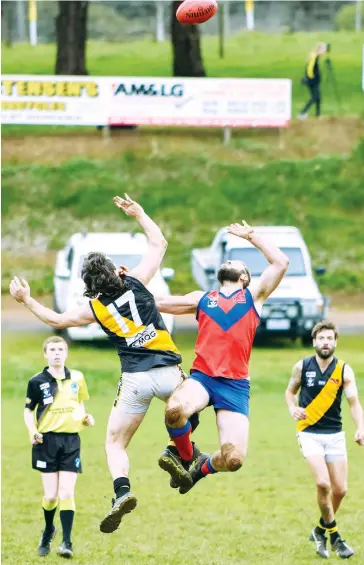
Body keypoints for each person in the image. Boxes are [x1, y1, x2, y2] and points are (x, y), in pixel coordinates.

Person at [10, 194, 199, 535]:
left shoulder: (93, 309)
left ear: (88, 285)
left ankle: (122, 492)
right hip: (170, 373)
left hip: (135, 381)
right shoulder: (137, 279)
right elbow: (159, 242)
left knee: (114, 444)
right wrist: (139, 212)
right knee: (191, 408)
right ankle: (179, 452)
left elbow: (58, 319)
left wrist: (26, 300)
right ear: (115, 271)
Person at [155, 220, 289, 493]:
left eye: (241, 264)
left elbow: (281, 263)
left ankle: (198, 470)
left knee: (234, 459)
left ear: (244, 278)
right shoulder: (202, 298)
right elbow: (155, 302)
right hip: (203, 378)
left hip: (235, 385)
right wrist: (123, 283)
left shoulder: (254, 297)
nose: (233, 260)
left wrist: (251, 235)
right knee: (174, 410)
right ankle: (186, 454)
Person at [285, 321, 364, 559]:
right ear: (314, 342)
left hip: (335, 435)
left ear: (335, 342)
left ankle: (320, 529)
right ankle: (335, 537)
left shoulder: (344, 371)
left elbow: (354, 404)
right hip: (309, 433)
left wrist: (360, 427)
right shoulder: (302, 366)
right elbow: (290, 392)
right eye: (322, 338)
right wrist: (292, 408)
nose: (326, 342)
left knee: (340, 489)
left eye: (330, 338)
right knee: (323, 484)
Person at [24, 336, 94, 558]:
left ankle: (67, 542)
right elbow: (28, 410)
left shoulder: (77, 377)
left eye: (60, 349)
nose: (56, 353)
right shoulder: (36, 381)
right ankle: (48, 530)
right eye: (52, 349)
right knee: (51, 496)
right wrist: (32, 431)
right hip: (46, 442)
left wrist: (85, 417)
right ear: (45, 354)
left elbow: (80, 403)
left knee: (66, 492)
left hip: (71, 441)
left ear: (66, 353)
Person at [298, 42, 327, 120]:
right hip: (312, 81)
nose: (324, 51)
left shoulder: (316, 56)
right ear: (319, 49)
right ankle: (302, 113)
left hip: (315, 81)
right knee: (314, 97)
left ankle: (318, 114)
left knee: (318, 98)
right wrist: (312, 78)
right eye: (323, 49)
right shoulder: (314, 56)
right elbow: (310, 69)